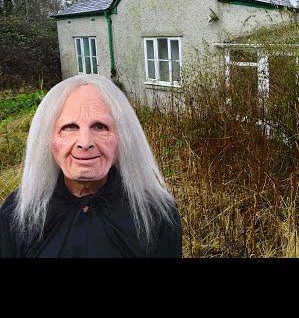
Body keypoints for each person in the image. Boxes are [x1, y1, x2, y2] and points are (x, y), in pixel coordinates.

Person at [0, 74, 181, 258]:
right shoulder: (17, 213)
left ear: (123, 138)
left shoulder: (156, 214)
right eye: (70, 127)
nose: (84, 143)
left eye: (100, 127)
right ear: (48, 138)